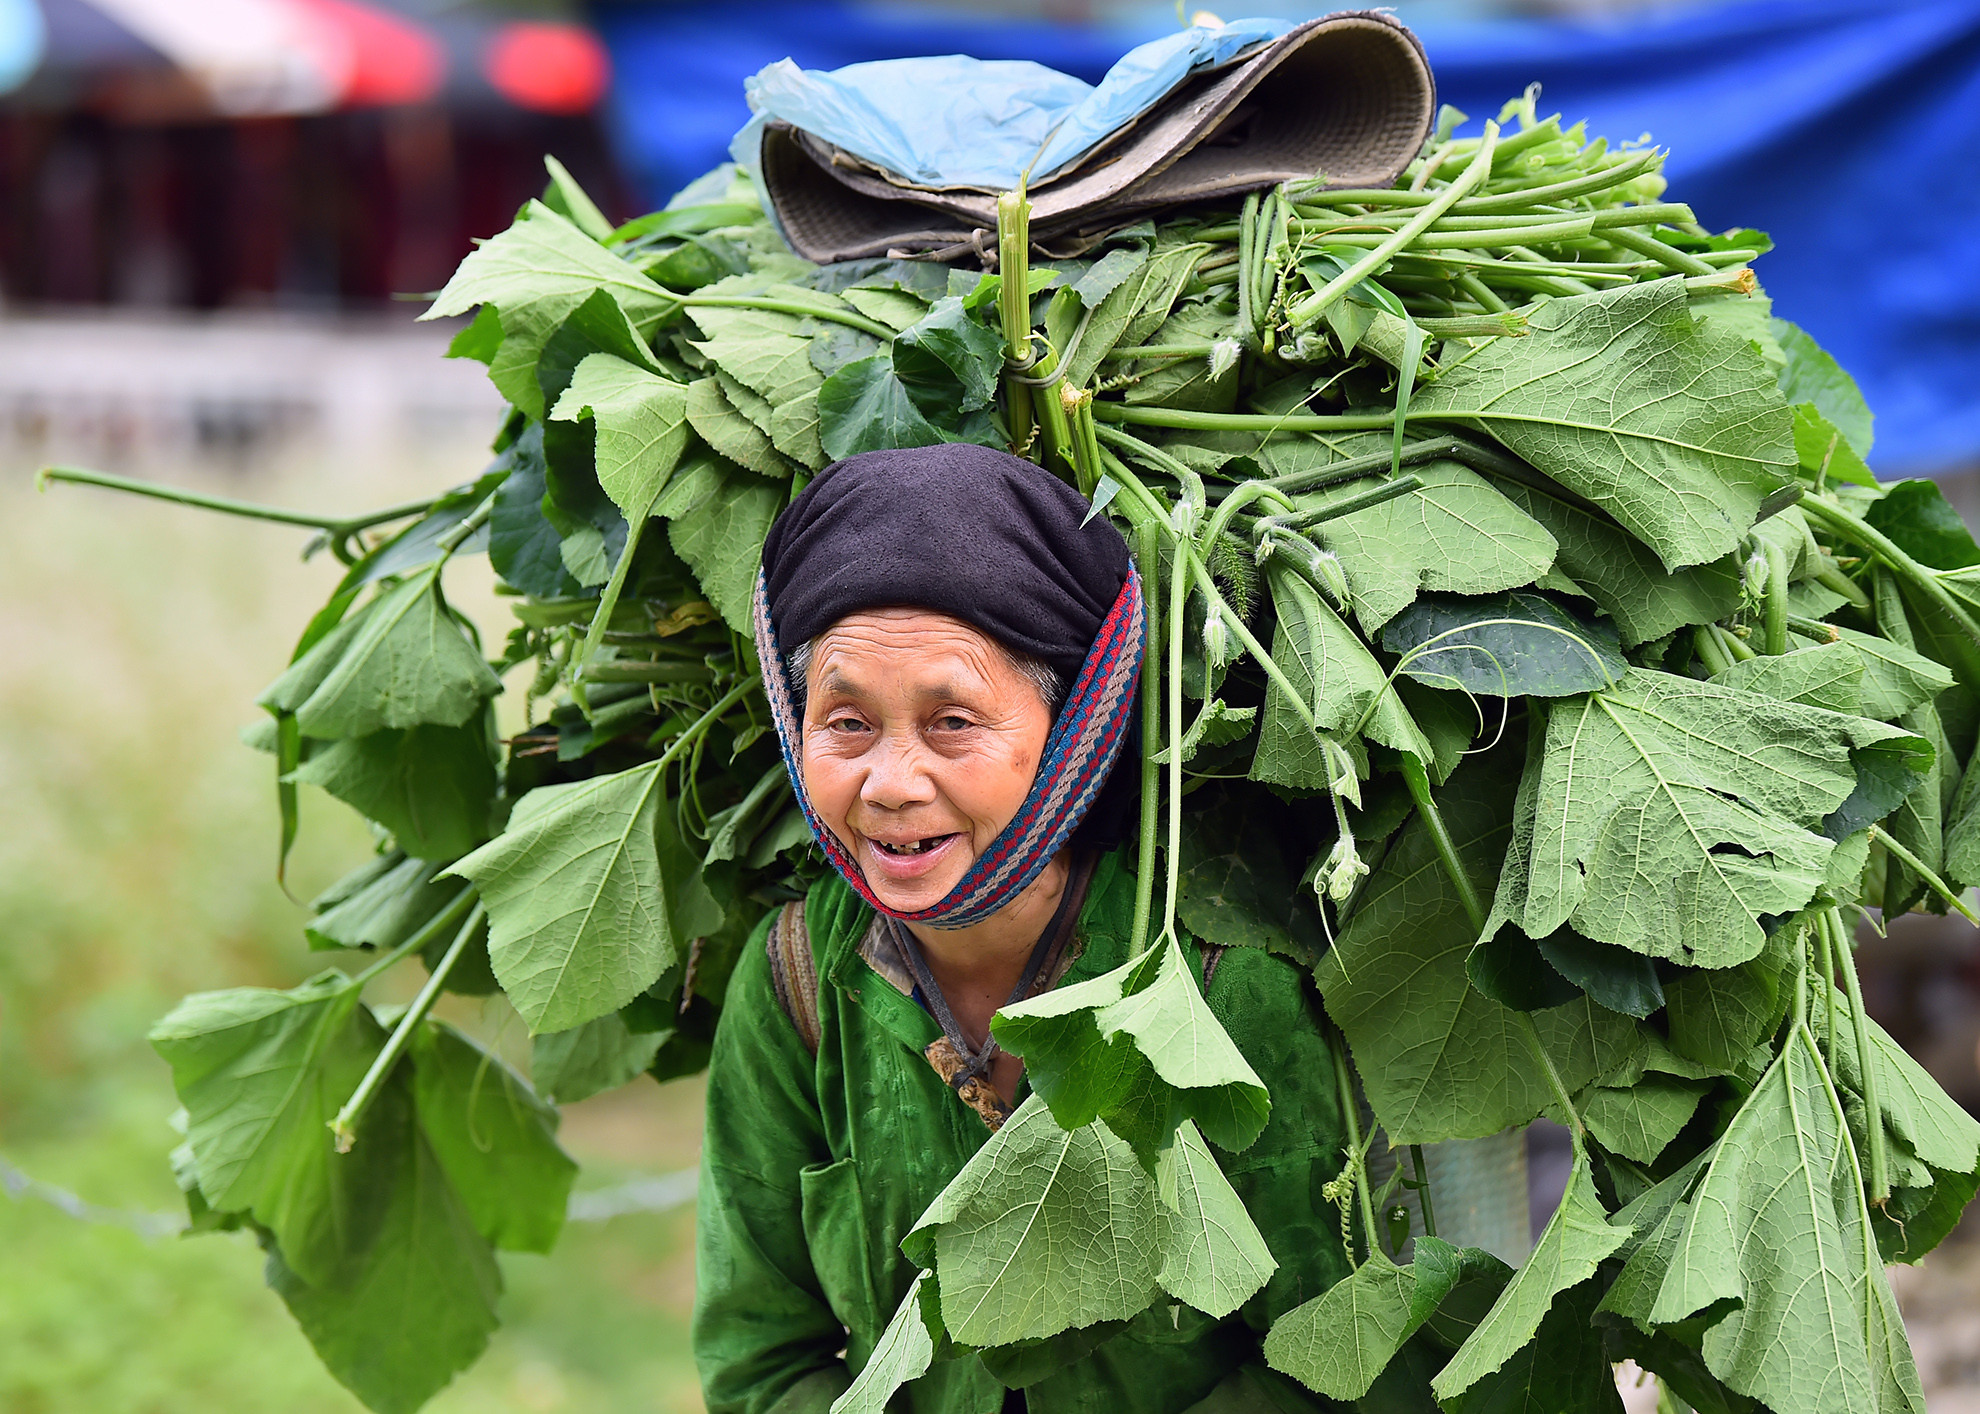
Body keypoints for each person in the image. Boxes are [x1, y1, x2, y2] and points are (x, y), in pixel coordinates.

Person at [693, 444, 1352, 1414]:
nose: (890, 782)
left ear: (1074, 718)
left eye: (953, 719)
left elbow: (1329, 1356)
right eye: (846, 722)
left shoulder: (1219, 977)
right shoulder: (794, 981)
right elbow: (757, 1361)